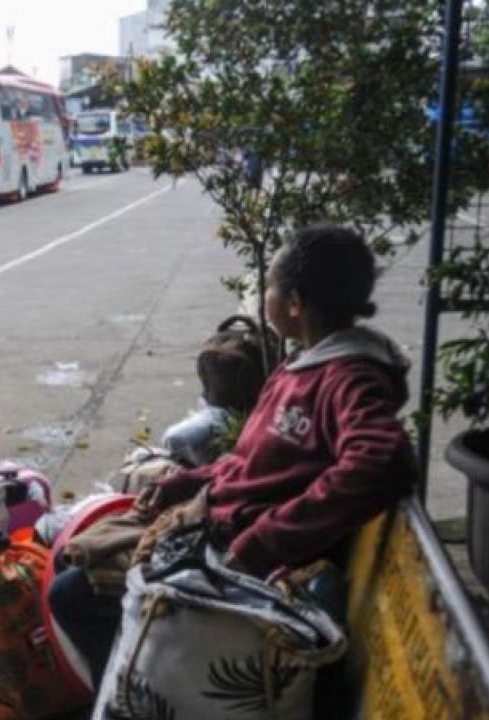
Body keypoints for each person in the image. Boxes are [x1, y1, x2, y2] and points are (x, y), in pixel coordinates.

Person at [49, 224, 416, 684]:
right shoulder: (301, 364)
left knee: (73, 595)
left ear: (295, 304)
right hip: (214, 517)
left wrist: (264, 542)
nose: (265, 295)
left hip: (241, 552)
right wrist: (186, 482)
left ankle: (138, 694)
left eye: (270, 287)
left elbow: (383, 460)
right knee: (74, 556)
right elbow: (257, 462)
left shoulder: (349, 377)